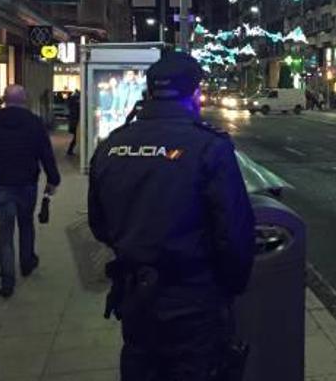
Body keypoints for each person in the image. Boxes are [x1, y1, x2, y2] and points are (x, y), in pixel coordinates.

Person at [88, 53, 256, 380]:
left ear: (149, 92)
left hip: (136, 295)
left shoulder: (112, 145)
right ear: (194, 94)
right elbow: (233, 232)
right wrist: (230, 286)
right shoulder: (209, 146)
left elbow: (99, 223)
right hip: (195, 299)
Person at [0, 85, 61, 298]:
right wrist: (53, 179)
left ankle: (7, 279)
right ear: (24, 100)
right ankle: (26, 262)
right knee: (26, 223)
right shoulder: (34, 123)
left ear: (4, 99)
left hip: (1, 184)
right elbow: (45, 153)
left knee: (4, 232)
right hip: (27, 182)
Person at [66, 90, 81, 156]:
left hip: (73, 123)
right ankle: (70, 150)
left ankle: (70, 150)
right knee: (75, 138)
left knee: (75, 137)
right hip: (75, 123)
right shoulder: (76, 104)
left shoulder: (72, 103)